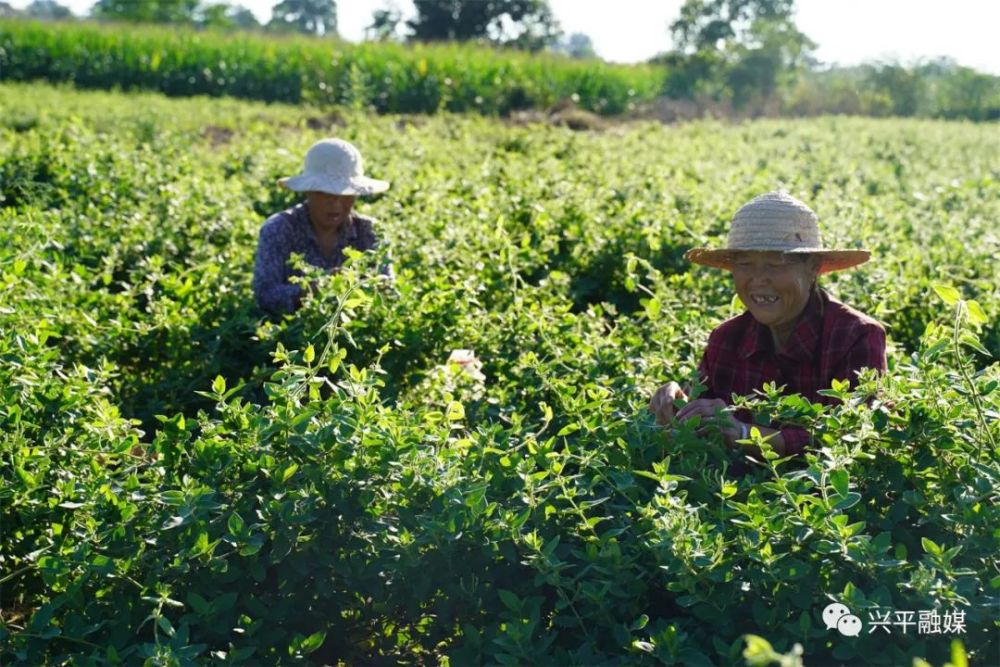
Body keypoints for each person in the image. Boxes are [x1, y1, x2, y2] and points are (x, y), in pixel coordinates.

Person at [649, 191, 887, 458]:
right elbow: (702, 409)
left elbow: (854, 436)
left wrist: (742, 434)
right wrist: (675, 401)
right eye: (746, 265)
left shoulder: (856, 336)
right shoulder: (726, 339)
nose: (759, 279)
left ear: (813, 268)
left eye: (775, 264)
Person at [253, 138, 392, 314]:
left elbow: (388, 291)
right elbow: (265, 295)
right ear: (308, 190)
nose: (336, 204)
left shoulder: (370, 232)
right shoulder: (279, 229)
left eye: (345, 194)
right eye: (326, 194)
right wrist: (311, 289)